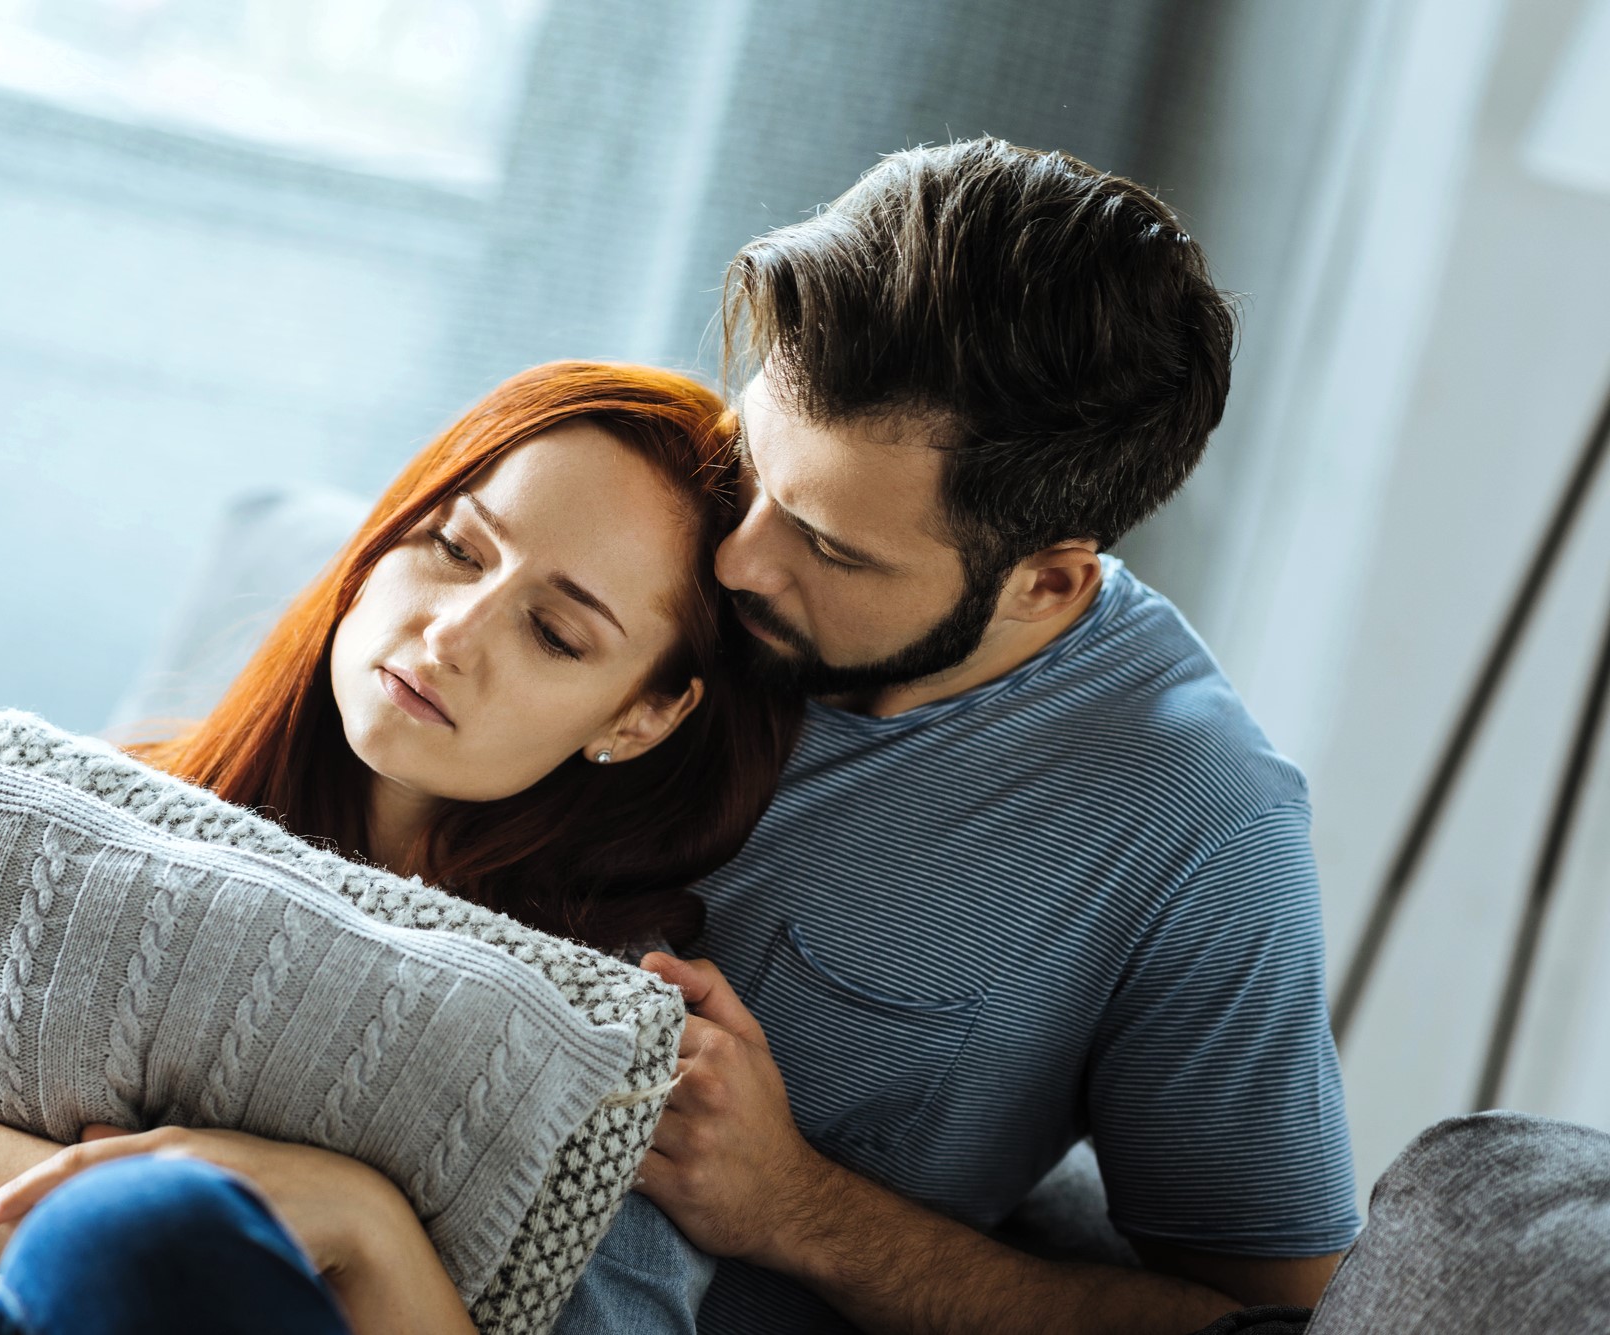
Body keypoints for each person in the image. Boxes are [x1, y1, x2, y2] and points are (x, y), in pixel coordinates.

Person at [0, 361, 799, 1333]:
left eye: (553, 630)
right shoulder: (93, 796)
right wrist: (148, 1204)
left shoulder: (615, 1035)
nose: (452, 634)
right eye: (450, 547)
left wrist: (362, 1226)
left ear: (639, 714)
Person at [558, 138, 1361, 1335]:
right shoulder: (656, 509)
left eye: (830, 548)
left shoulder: (1193, 828)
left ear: (1044, 583)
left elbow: (1264, 1322)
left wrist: (794, 1208)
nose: (734, 559)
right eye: (751, 461)